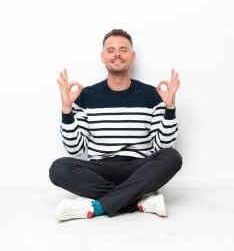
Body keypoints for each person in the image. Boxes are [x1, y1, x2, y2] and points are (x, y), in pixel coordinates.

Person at [49, 29, 182, 221]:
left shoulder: (152, 94)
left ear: (132, 56)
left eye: (123, 50)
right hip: (100, 170)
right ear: (103, 57)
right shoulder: (86, 96)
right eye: (111, 50)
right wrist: (67, 110)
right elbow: (75, 149)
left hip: (138, 169)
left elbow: (162, 146)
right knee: (59, 168)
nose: (117, 54)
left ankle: (99, 206)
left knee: (172, 157)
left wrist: (169, 108)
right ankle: (138, 201)